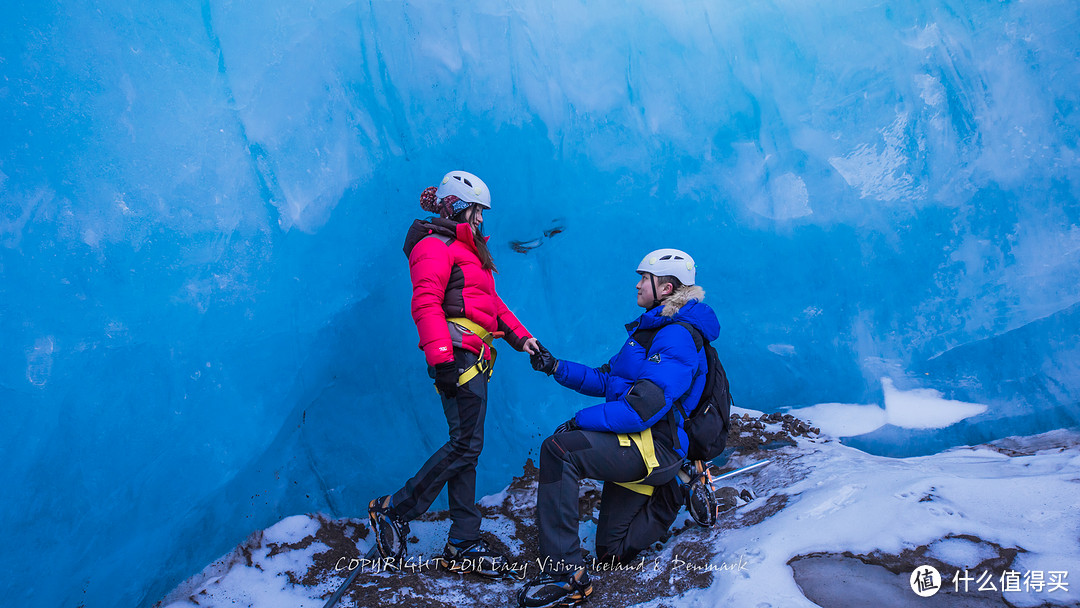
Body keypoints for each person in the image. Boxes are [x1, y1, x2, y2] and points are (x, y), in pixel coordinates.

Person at [517, 249, 720, 608]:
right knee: (613, 552)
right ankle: (678, 488)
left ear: (666, 287)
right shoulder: (651, 328)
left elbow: (642, 409)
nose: (638, 284)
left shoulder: (676, 336)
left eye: (645, 278)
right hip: (638, 442)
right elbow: (610, 379)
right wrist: (555, 367)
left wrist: (579, 421)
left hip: (654, 447)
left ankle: (566, 575)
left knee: (559, 450)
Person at [369, 170, 540, 577]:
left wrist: (524, 339)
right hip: (459, 356)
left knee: (467, 446)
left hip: (474, 355)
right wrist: (442, 360)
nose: (482, 220)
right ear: (460, 208)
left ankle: (463, 539)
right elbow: (425, 303)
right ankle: (395, 509)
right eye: (478, 212)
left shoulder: (467, 251)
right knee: (465, 444)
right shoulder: (434, 245)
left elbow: (492, 305)